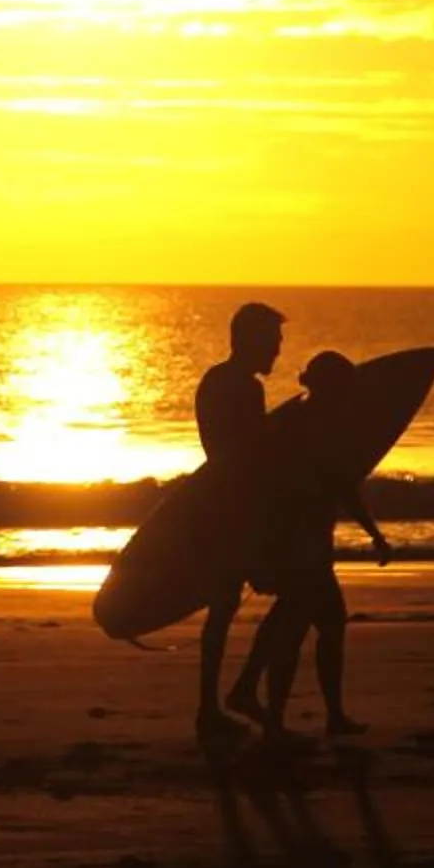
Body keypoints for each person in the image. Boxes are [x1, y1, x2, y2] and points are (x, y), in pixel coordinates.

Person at [228, 349, 391, 739]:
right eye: (344, 388)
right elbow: (331, 485)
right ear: (330, 388)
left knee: (305, 622)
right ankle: (278, 719)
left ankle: (260, 695)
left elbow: (335, 486)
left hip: (305, 543)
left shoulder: (302, 422)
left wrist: (373, 533)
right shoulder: (312, 428)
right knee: (303, 627)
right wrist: (373, 534)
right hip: (298, 546)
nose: (348, 397)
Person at [193, 301, 283, 736]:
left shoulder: (214, 380)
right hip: (237, 512)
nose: (278, 350)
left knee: (223, 608)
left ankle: (212, 707)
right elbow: (253, 457)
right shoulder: (244, 388)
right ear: (251, 340)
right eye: (273, 341)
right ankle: (238, 694)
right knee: (299, 595)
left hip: (218, 507)